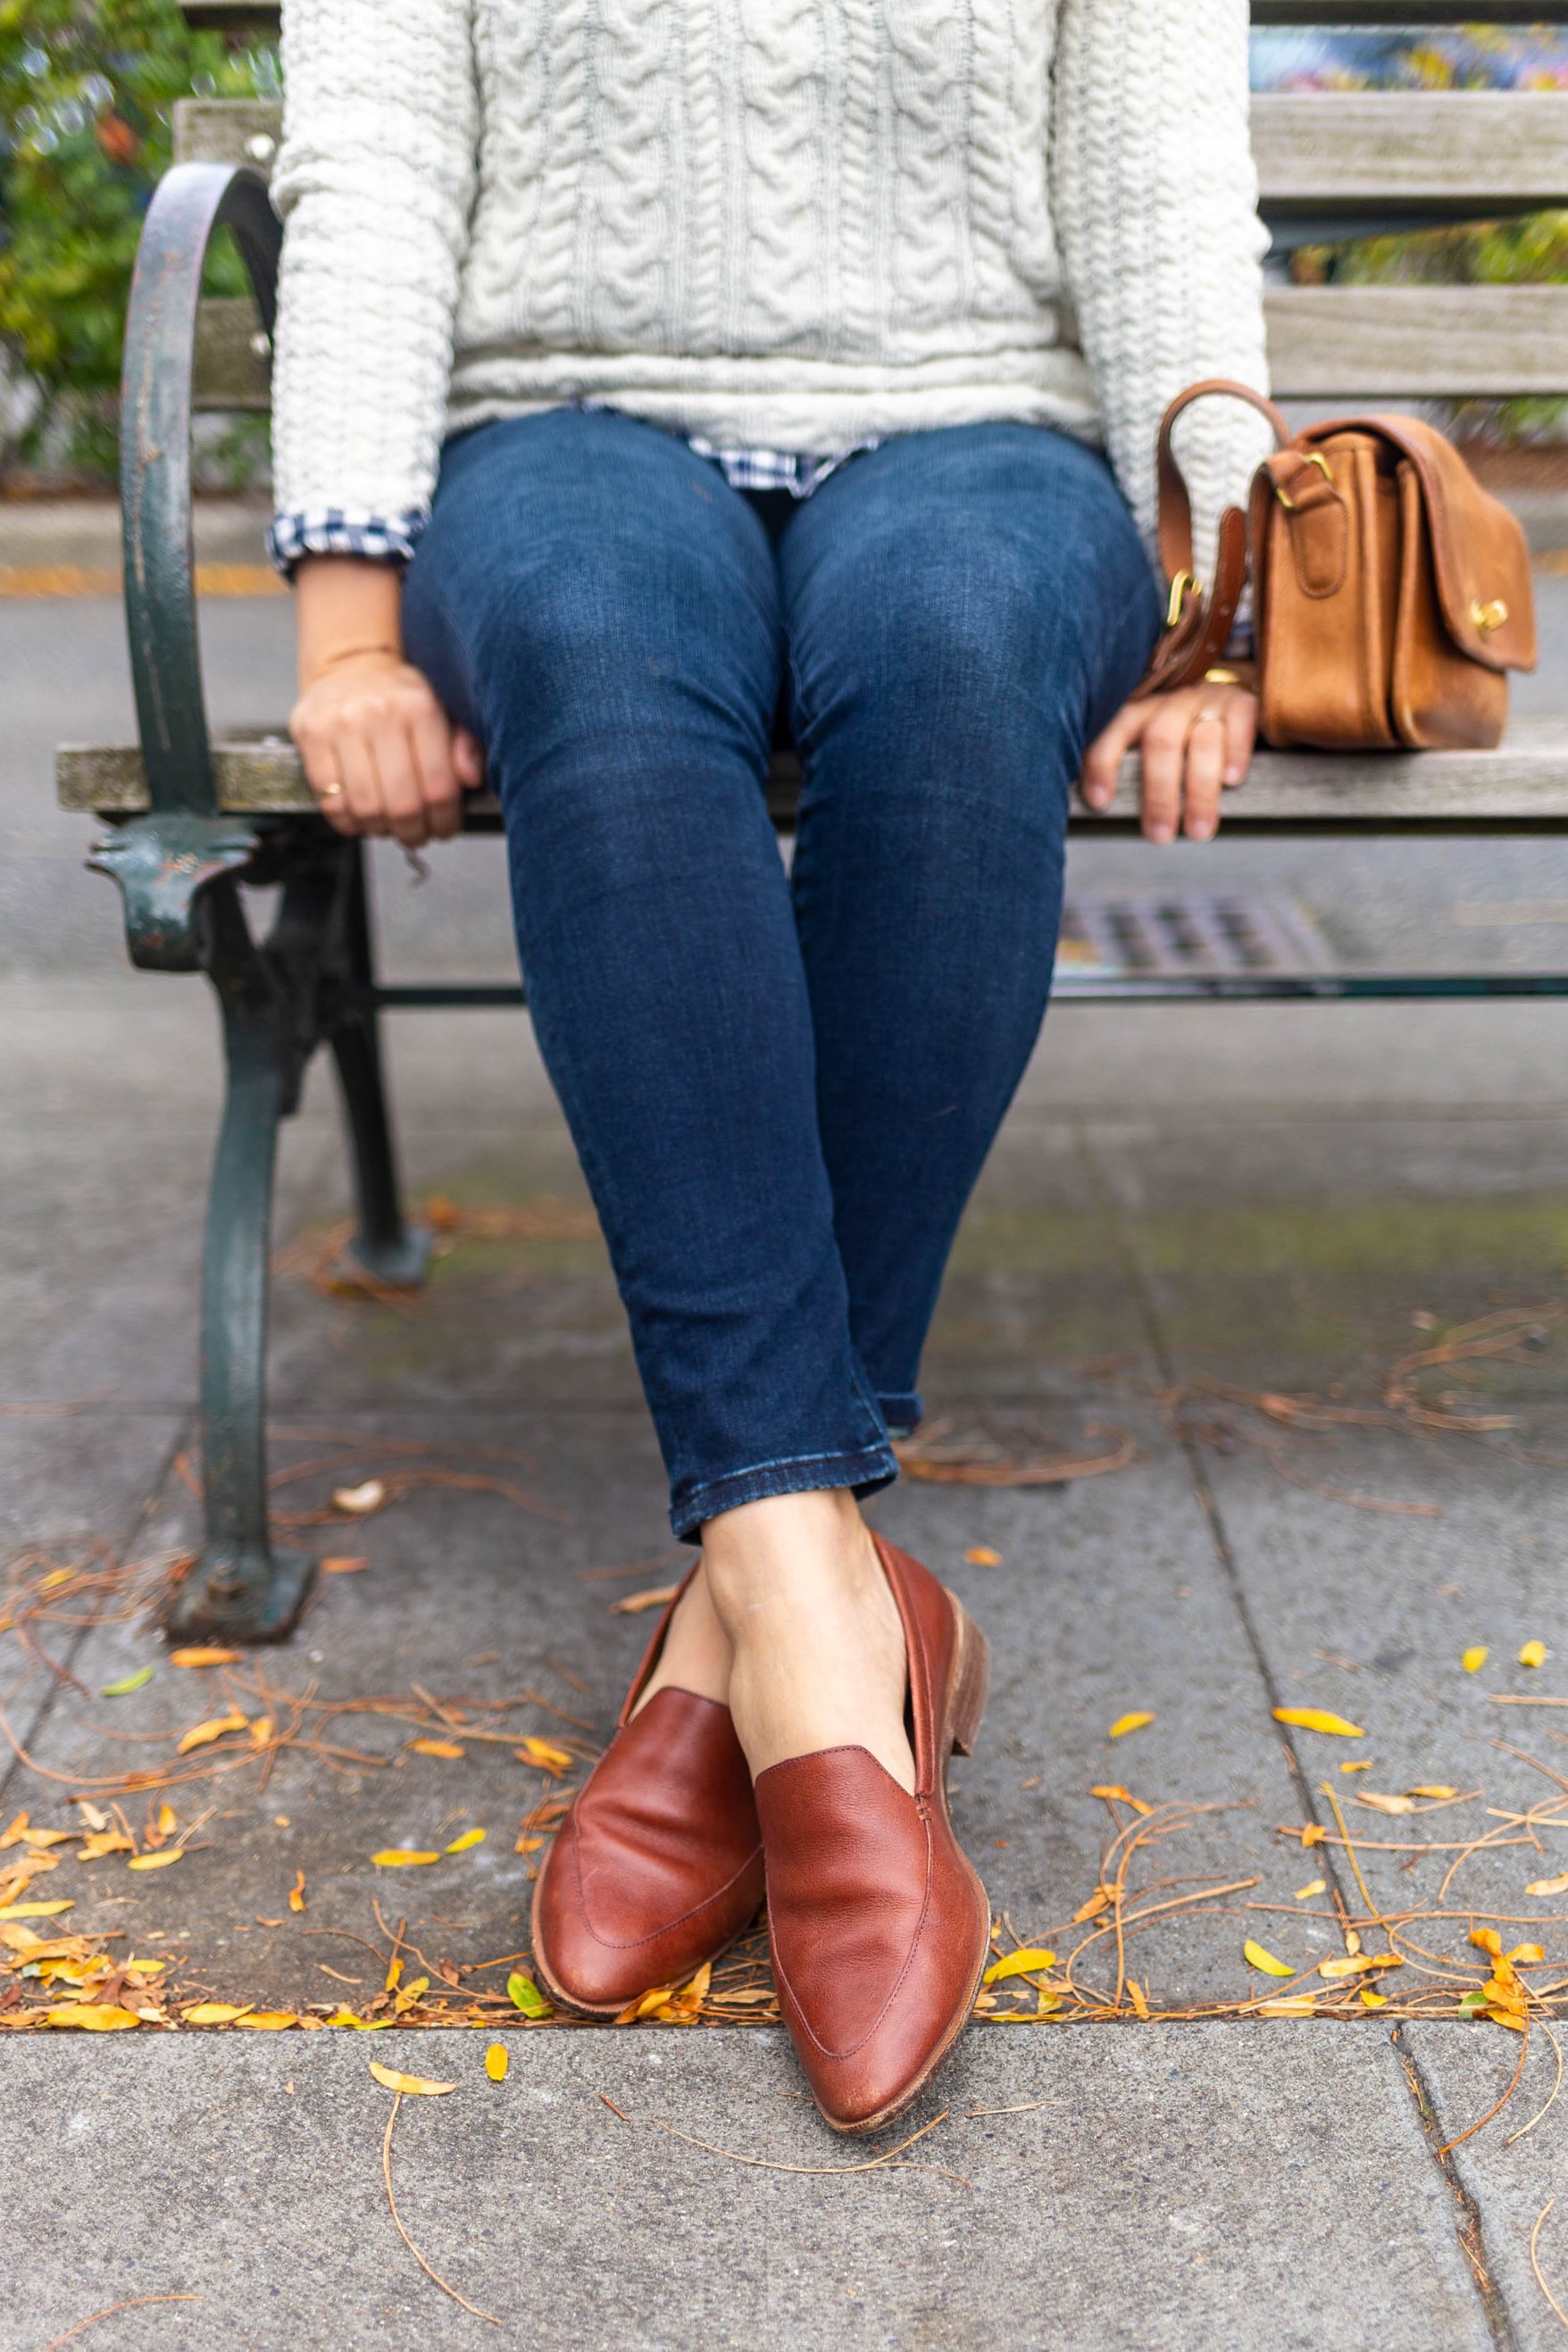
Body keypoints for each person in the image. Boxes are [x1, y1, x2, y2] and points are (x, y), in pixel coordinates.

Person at [269, 0, 1272, 2131]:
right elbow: (366, 183)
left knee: (949, 651)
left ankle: (741, 1631)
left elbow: (1159, 191)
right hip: (558, 433)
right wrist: (349, 620)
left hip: (988, 430)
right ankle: (827, 1617)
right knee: (606, 680)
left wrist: (1215, 613)